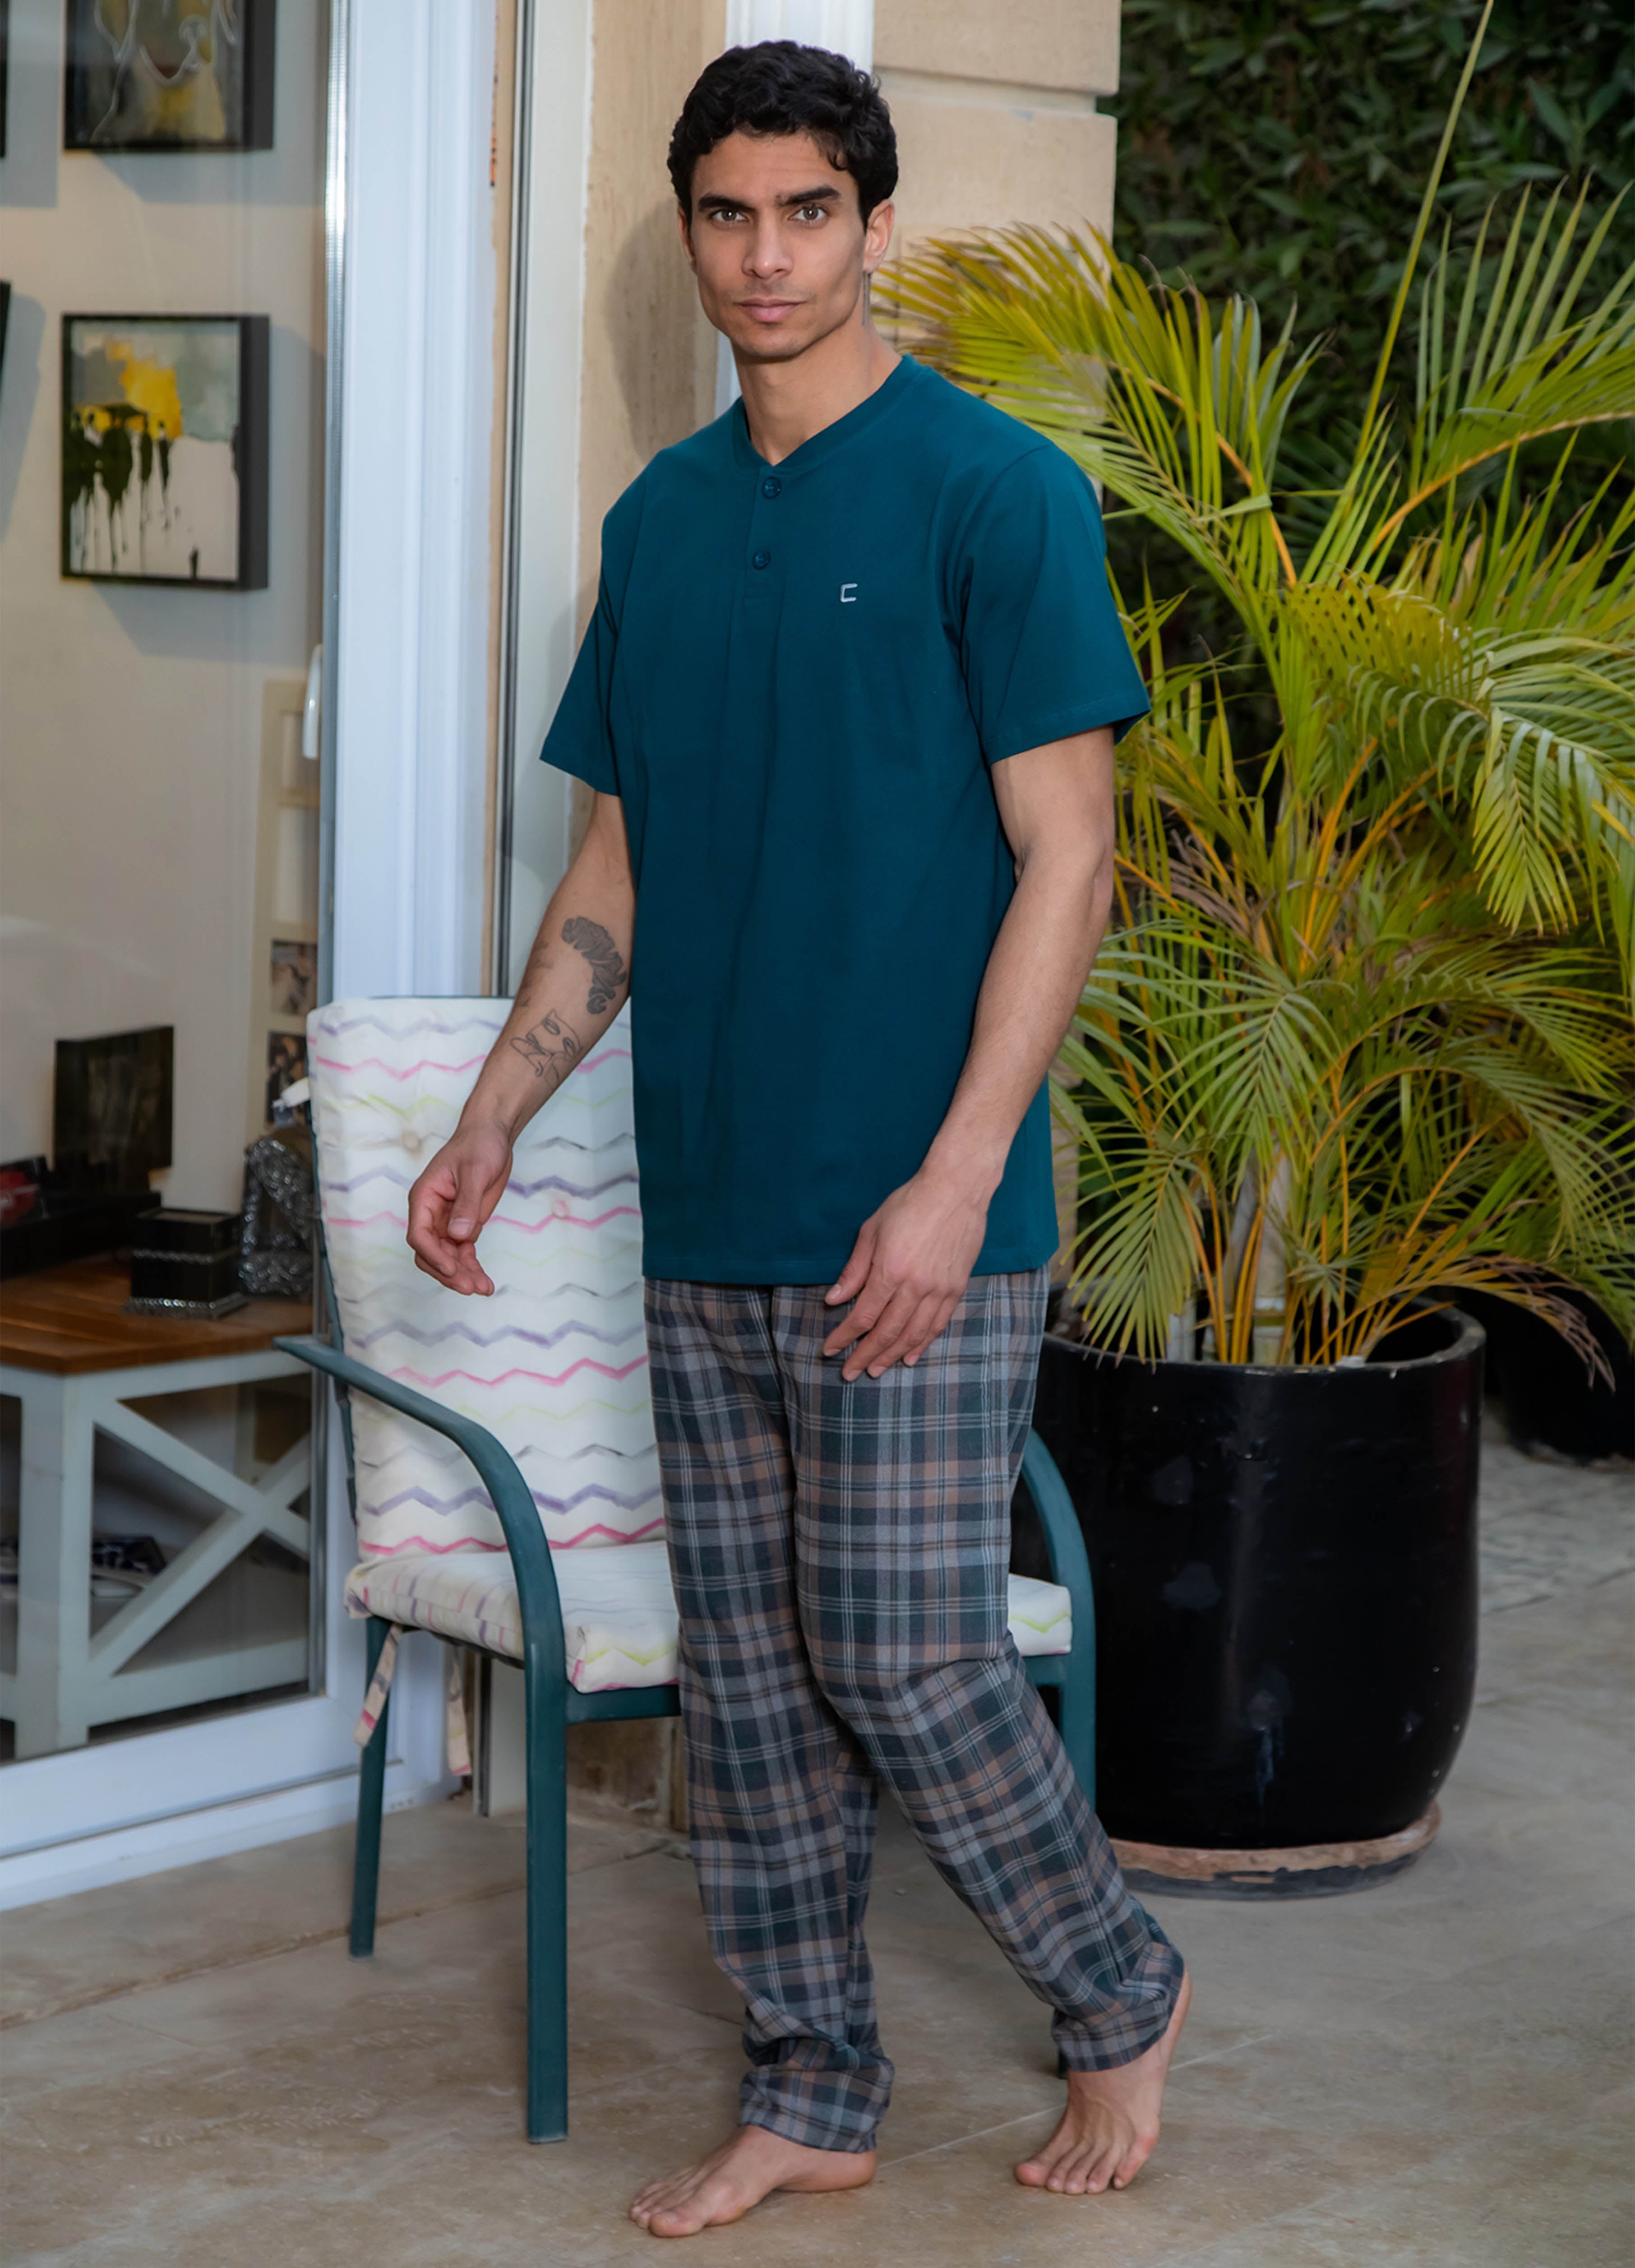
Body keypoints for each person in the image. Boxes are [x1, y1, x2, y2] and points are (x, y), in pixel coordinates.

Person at [405, 39, 1189, 2242]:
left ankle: (1117, 1985)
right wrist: (493, 1117)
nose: (767, 257)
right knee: (748, 1686)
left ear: (874, 223)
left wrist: (956, 1180)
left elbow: (1071, 861)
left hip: (916, 1206)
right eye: (729, 215)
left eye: (808, 212)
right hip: (710, 1205)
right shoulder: (659, 524)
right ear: (692, 232)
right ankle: (814, 2082)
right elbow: (616, 870)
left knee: (907, 1654)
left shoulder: (990, 494)